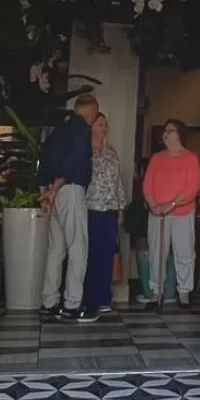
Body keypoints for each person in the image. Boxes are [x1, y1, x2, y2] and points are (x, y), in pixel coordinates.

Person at [37, 93, 99, 324]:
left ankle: (48, 303)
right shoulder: (82, 130)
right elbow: (72, 164)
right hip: (70, 190)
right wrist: (56, 189)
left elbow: (45, 162)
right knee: (77, 249)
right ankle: (72, 305)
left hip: (54, 194)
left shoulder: (59, 130)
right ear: (90, 111)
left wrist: (45, 194)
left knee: (56, 251)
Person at [142, 119, 200, 311]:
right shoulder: (157, 158)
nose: (165, 134)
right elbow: (147, 185)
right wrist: (153, 204)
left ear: (179, 134)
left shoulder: (190, 158)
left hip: (182, 213)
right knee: (156, 253)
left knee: (184, 252)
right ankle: (156, 293)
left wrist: (172, 204)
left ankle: (184, 293)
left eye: (170, 130)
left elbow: (193, 188)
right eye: (164, 130)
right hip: (157, 213)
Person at [83, 112, 126, 317]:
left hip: (110, 209)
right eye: (100, 124)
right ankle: (88, 298)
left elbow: (118, 183)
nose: (104, 128)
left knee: (107, 254)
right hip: (91, 209)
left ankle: (103, 297)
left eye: (105, 125)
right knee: (91, 254)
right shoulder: (86, 153)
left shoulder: (111, 153)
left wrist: (120, 208)